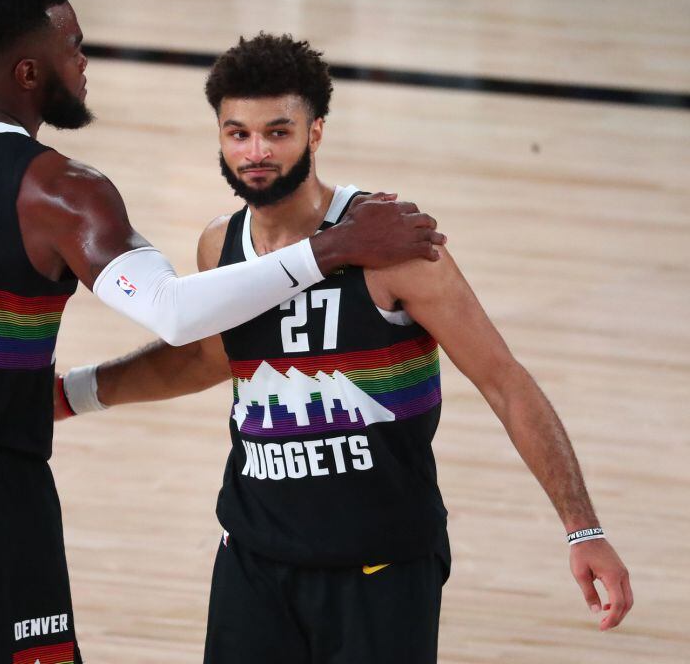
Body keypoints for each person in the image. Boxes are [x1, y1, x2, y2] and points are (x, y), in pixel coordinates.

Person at [0, 0, 445, 663]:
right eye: (73, 45)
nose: (85, 60)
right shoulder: (62, 191)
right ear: (28, 71)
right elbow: (177, 313)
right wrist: (331, 248)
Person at [55, 33, 633, 663]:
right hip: (254, 559)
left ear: (316, 131)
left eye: (277, 132)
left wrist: (584, 528)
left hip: (381, 567)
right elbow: (205, 360)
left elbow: (504, 379)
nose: (256, 152)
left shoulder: (391, 243)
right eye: (237, 133)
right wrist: (72, 393)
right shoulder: (219, 243)